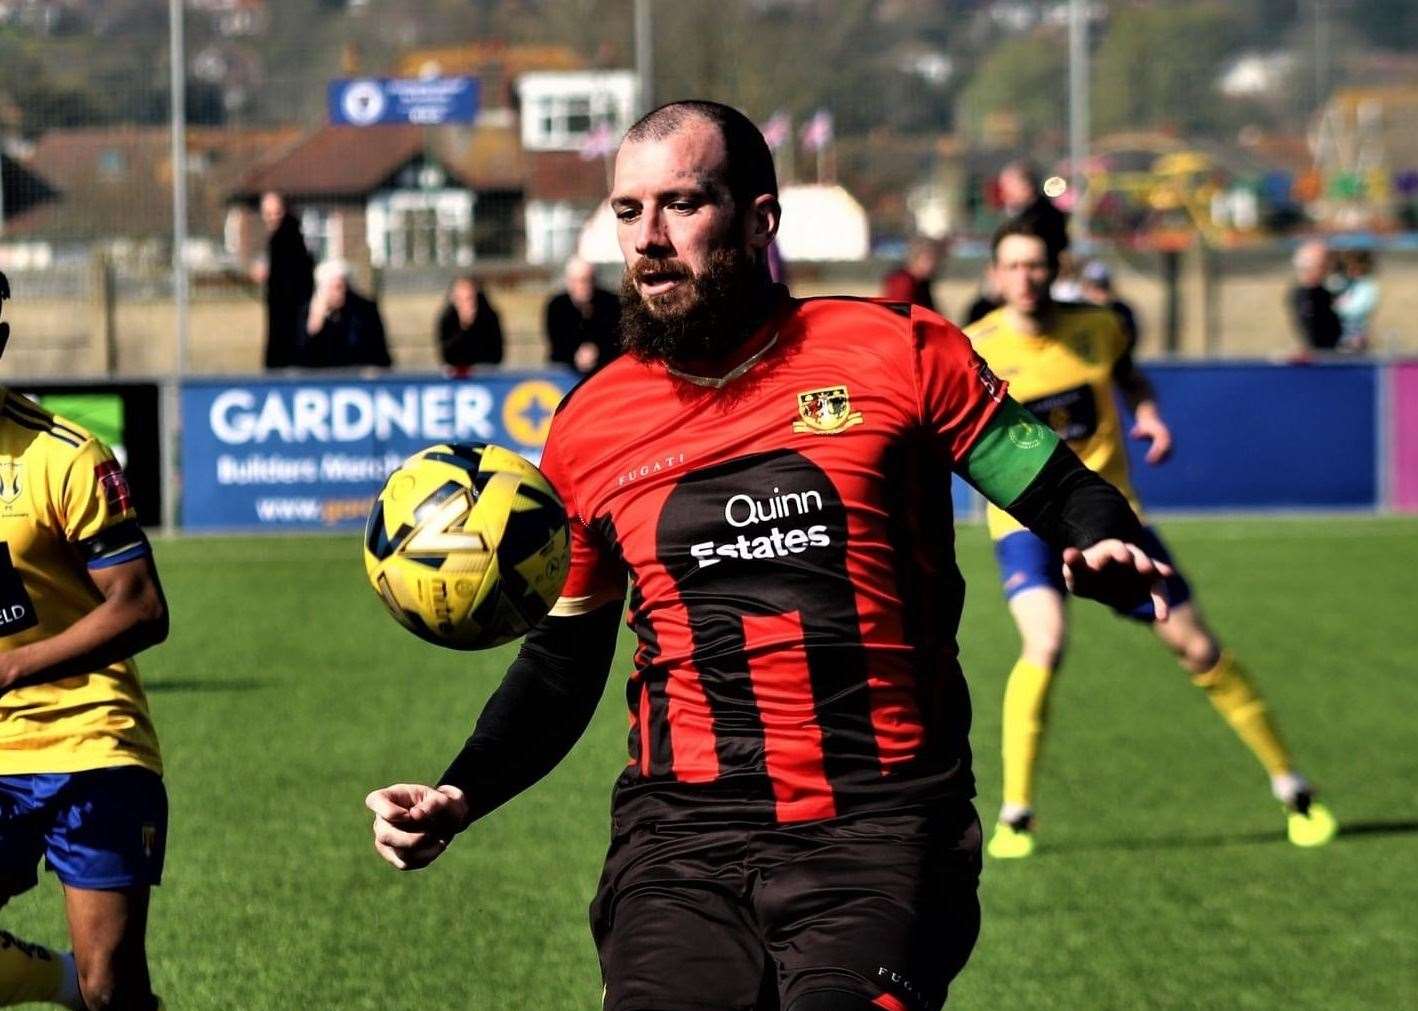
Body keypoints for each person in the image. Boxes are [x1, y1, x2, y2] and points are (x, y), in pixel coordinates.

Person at [365, 101, 1170, 1011]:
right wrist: (461, 790)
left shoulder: (899, 352)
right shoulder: (591, 425)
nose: (650, 239)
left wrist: (1103, 538)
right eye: (628, 212)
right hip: (677, 846)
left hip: (881, 830)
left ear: (760, 219)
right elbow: (564, 657)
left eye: (682, 204)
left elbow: (1061, 487)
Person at [965, 219, 1337, 861]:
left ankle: (1294, 789)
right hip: (1024, 526)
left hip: (1115, 522)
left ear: (1056, 268)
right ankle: (1016, 814)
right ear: (994, 275)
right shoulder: (973, 347)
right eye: (1013, 266)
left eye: (1036, 265)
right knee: (1044, 643)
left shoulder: (1101, 327)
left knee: (1198, 648)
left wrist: (1149, 414)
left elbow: (1131, 377)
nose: (1025, 278)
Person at [0, 271, 171, 1011]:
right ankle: (58, 980)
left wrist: (16, 665)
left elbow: (141, 607)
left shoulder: (63, 455)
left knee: (113, 989)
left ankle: (84, 984)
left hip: (90, 741)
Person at [253, 191, 315, 370]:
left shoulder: (287, 237)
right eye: (268, 214)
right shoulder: (287, 236)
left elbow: (290, 279)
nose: (272, 218)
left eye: (276, 213)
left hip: (290, 315)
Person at [298, 260, 391, 369]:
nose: (341, 293)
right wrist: (316, 320)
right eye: (336, 287)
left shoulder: (363, 311)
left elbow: (377, 351)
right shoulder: (307, 311)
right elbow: (302, 355)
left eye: (344, 287)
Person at [544, 256, 621, 375]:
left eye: (588, 280)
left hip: (605, 369)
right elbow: (557, 341)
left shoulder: (611, 303)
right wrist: (575, 355)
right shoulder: (557, 307)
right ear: (569, 282)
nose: (583, 286)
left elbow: (616, 338)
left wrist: (596, 352)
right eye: (578, 281)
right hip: (565, 372)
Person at [998, 161, 1069, 262]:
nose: (1004, 189)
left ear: (1026, 186)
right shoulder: (1015, 212)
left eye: (1008, 184)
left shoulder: (1045, 215)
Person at [436, 275, 503, 373]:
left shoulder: (489, 317)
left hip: (484, 370)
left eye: (469, 298)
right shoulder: (447, 319)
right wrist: (464, 328)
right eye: (459, 299)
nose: (464, 304)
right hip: (456, 372)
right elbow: (447, 355)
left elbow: (496, 354)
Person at [1288, 239, 1342, 352]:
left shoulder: (1324, 292)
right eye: (1324, 264)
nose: (1329, 268)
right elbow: (1313, 337)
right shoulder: (1305, 297)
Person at [1077, 259, 1140, 350]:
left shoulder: (1121, 310)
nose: (1099, 292)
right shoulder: (1077, 311)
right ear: (1085, 287)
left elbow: (1130, 339)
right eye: (1094, 287)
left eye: (1103, 286)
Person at [1333, 248, 1379, 352]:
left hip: (1356, 335)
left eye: (1354, 266)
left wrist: (1336, 307)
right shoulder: (1345, 283)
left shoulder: (1368, 286)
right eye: (1348, 267)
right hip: (1341, 335)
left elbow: (1357, 309)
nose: (1350, 270)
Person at [880, 237, 942, 311]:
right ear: (916, 258)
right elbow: (900, 316)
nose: (934, 264)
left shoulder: (922, 284)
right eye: (929, 259)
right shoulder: (902, 283)